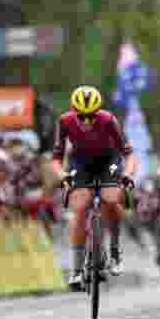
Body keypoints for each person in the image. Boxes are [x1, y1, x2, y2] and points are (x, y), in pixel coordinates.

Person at [51, 86, 136, 291]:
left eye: (92, 116)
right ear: (74, 111)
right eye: (82, 116)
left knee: (111, 198)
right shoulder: (65, 121)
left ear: (98, 111)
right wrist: (62, 176)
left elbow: (128, 154)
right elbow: (56, 158)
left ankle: (114, 251)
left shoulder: (108, 119)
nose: (87, 120)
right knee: (79, 208)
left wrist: (128, 174)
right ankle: (77, 269)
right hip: (80, 163)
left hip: (108, 161)